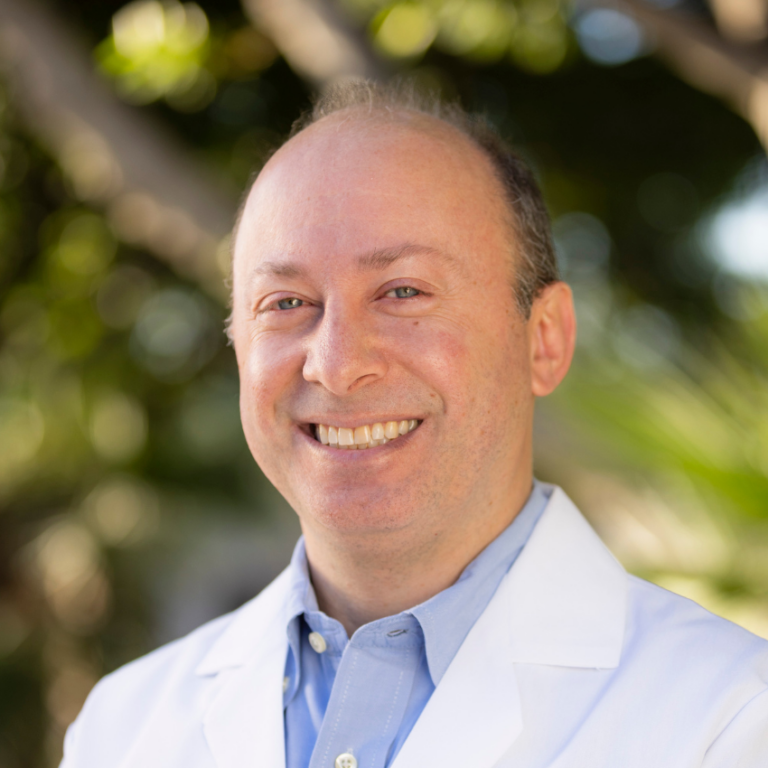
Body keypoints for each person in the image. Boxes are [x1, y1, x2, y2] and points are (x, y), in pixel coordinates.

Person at [61, 81, 768, 768]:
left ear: (544, 340)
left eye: (403, 291)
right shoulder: (120, 730)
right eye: (286, 302)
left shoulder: (731, 719)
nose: (337, 365)